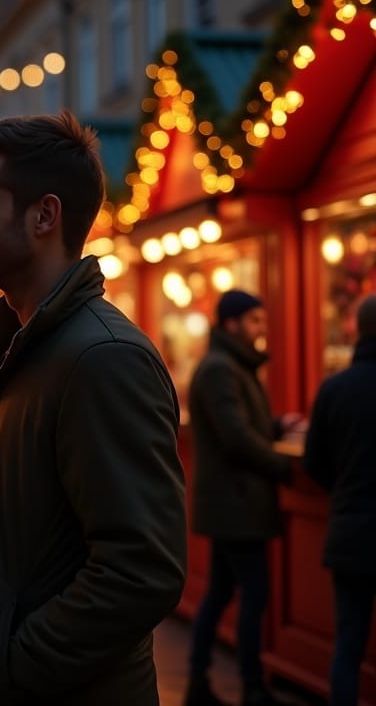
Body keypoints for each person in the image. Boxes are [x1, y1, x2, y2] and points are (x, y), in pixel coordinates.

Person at [0, 111, 187, 706]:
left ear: (44, 215)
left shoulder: (102, 358)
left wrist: (12, 671)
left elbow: (141, 570)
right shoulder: (25, 347)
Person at [185, 289, 297, 706]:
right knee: (254, 594)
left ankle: (199, 681)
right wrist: (282, 467)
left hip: (233, 502)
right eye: (254, 321)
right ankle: (251, 686)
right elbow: (235, 437)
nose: (262, 329)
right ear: (231, 324)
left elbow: (240, 424)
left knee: (220, 592)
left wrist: (276, 425)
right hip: (236, 502)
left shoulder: (230, 365)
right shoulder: (221, 368)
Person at [303, 294, 376, 706]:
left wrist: (344, 487)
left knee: (348, 644)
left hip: (349, 531)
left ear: (358, 331)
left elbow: (314, 463)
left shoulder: (334, 388)